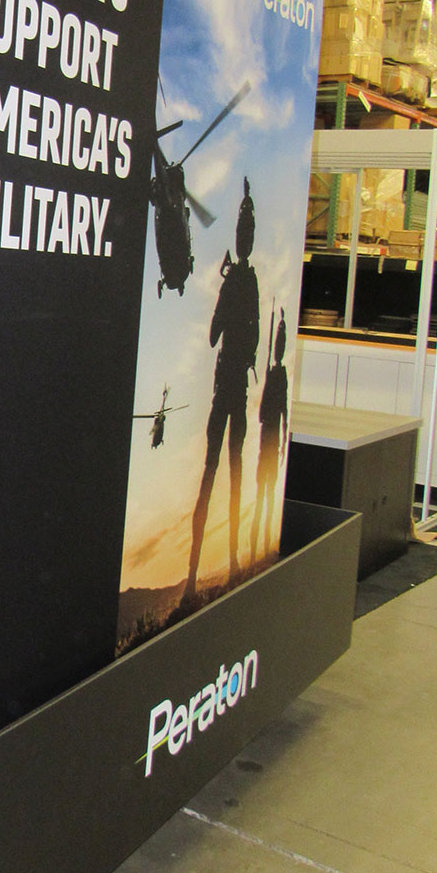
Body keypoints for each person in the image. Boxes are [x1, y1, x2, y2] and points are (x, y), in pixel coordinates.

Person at [185, 178, 260, 602]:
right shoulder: (252, 283)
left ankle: (193, 580)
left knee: (211, 476)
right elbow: (255, 338)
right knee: (234, 472)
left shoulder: (234, 283)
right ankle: (231, 563)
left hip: (224, 390)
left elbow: (214, 334)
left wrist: (224, 284)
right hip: (239, 393)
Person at [250, 309, 289, 566]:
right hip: (268, 446)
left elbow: (282, 412)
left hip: (271, 446)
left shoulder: (279, 376)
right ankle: (258, 552)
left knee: (267, 500)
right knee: (261, 500)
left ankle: (265, 550)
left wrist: (283, 442)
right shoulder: (274, 375)